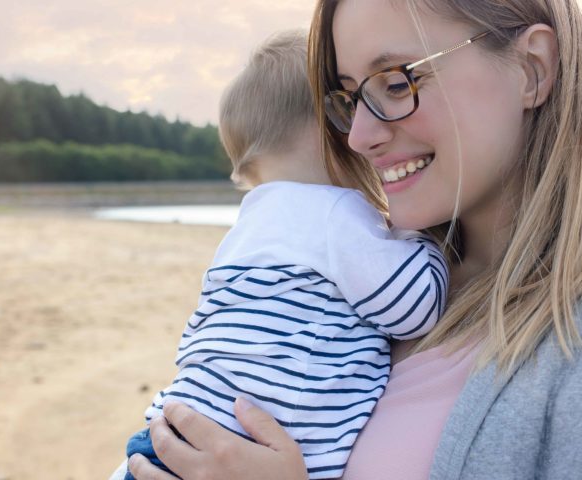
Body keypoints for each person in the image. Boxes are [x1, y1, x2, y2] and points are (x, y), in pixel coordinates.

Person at [127, 0, 582, 478]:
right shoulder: (346, 279)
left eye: (396, 82)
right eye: (346, 99)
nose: (359, 136)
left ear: (533, 69)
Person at [114, 29, 448, 480]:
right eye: (347, 110)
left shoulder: (245, 232)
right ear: (326, 132)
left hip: (171, 438)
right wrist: (425, 236)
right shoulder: (334, 211)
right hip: (232, 452)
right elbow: (414, 307)